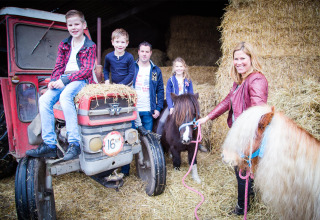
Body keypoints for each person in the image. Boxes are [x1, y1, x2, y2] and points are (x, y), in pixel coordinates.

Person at [196, 42, 268, 215]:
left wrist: (250, 138)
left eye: (243, 58)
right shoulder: (239, 82)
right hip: (240, 132)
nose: (239, 62)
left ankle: (242, 208)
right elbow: (227, 101)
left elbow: (257, 111)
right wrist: (207, 117)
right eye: (236, 59)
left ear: (251, 58)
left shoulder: (256, 79)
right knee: (242, 169)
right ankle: (248, 199)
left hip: (249, 134)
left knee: (242, 169)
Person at [26, 10, 96, 160]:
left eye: (77, 24)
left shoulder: (90, 45)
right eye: (70, 25)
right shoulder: (64, 44)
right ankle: (50, 145)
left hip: (80, 79)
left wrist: (64, 81)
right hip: (64, 79)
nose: (74, 27)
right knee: (44, 100)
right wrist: (53, 80)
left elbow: (86, 70)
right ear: (67, 27)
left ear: (83, 25)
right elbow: (58, 65)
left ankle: (74, 143)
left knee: (65, 96)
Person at [157, 57, 207, 152]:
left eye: (181, 66)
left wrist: (191, 106)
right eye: (177, 66)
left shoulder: (188, 80)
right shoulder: (171, 80)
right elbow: (168, 94)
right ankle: (158, 141)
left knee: (196, 121)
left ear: (184, 68)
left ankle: (198, 142)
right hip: (175, 105)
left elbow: (191, 94)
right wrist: (171, 107)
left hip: (185, 106)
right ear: (174, 68)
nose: (179, 68)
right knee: (162, 120)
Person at [132, 41, 164, 131]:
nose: (144, 54)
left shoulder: (155, 70)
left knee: (147, 140)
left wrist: (158, 108)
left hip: (148, 111)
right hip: (132, 111)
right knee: (131, 141)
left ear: (150, 53)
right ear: (138, 52)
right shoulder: (132, 68)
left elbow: (160, 90)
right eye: (142, 51)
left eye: (147, 52)